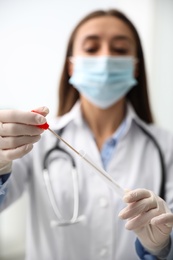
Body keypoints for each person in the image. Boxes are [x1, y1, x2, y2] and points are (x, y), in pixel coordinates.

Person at [0, 8, 173, 260]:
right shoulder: (36, 140)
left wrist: (161, 246)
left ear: (136, 67)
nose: (105, 58)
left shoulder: (165, 145)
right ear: (72, 66)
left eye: (120, 49)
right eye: (92, 49)